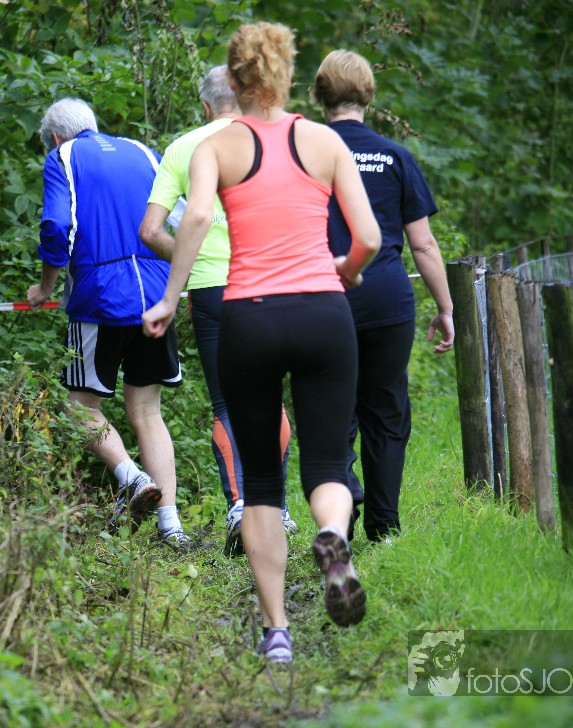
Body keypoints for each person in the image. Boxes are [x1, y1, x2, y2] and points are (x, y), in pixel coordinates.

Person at [142, 23, 381, 662]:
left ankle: (277, 633)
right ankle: (333, 534)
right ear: (288, 73)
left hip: (248, 317)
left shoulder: (214, 146)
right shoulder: (324, 141)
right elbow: (369, 238)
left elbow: (195, 217)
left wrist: (169, 298)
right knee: (327, 465)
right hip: (323, 314)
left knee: (263, 484)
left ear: (234, 77)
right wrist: (346, 270)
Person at [139, 65, 298, 559]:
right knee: (269, 396)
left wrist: (187, 260)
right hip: (272, 282)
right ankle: (277, 509)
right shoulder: (273, 140)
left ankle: (241, 506)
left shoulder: (184, 147)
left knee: (228, 403)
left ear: (206, 107)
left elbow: (150, 230)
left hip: (211, 288)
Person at [27, 98, 189, 545]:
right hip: (156, 295)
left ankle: (133, 478)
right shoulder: (141, 151)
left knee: (78, 407)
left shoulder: (63, 156)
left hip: (101, 297)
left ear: (55, 138)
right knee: (148, 411)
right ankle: (171, 526)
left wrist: (46, 286)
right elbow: (184, 216)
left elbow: (56, 226)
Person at [314, 50, 454, 543]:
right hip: (386, 301)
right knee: (386, 410)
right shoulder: (395, 156)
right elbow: (423, 244)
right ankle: (384, 527)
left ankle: (340, 506)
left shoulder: (304, 153)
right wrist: (445, 307)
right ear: (369, 95)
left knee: (330, 407)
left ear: (319, 95)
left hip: (322, 296)